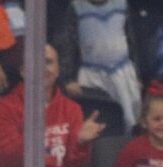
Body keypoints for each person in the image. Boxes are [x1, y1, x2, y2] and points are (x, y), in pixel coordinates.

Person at [0, 43, 106, 167]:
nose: (43, 68)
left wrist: (80, 144)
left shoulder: (71, 109)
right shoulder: (4, 107)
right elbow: (7, 165)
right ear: (23, 71)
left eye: (49, 62)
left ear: (58, 70)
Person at [55, 0, 143, 130]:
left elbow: (132, 40)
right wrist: (68, 79)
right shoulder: (77, 7)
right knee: (95, 120)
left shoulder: (122, 4)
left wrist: (137, 75)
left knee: (130, 120)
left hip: (123, 72)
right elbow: (68, 44)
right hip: (91, 75)